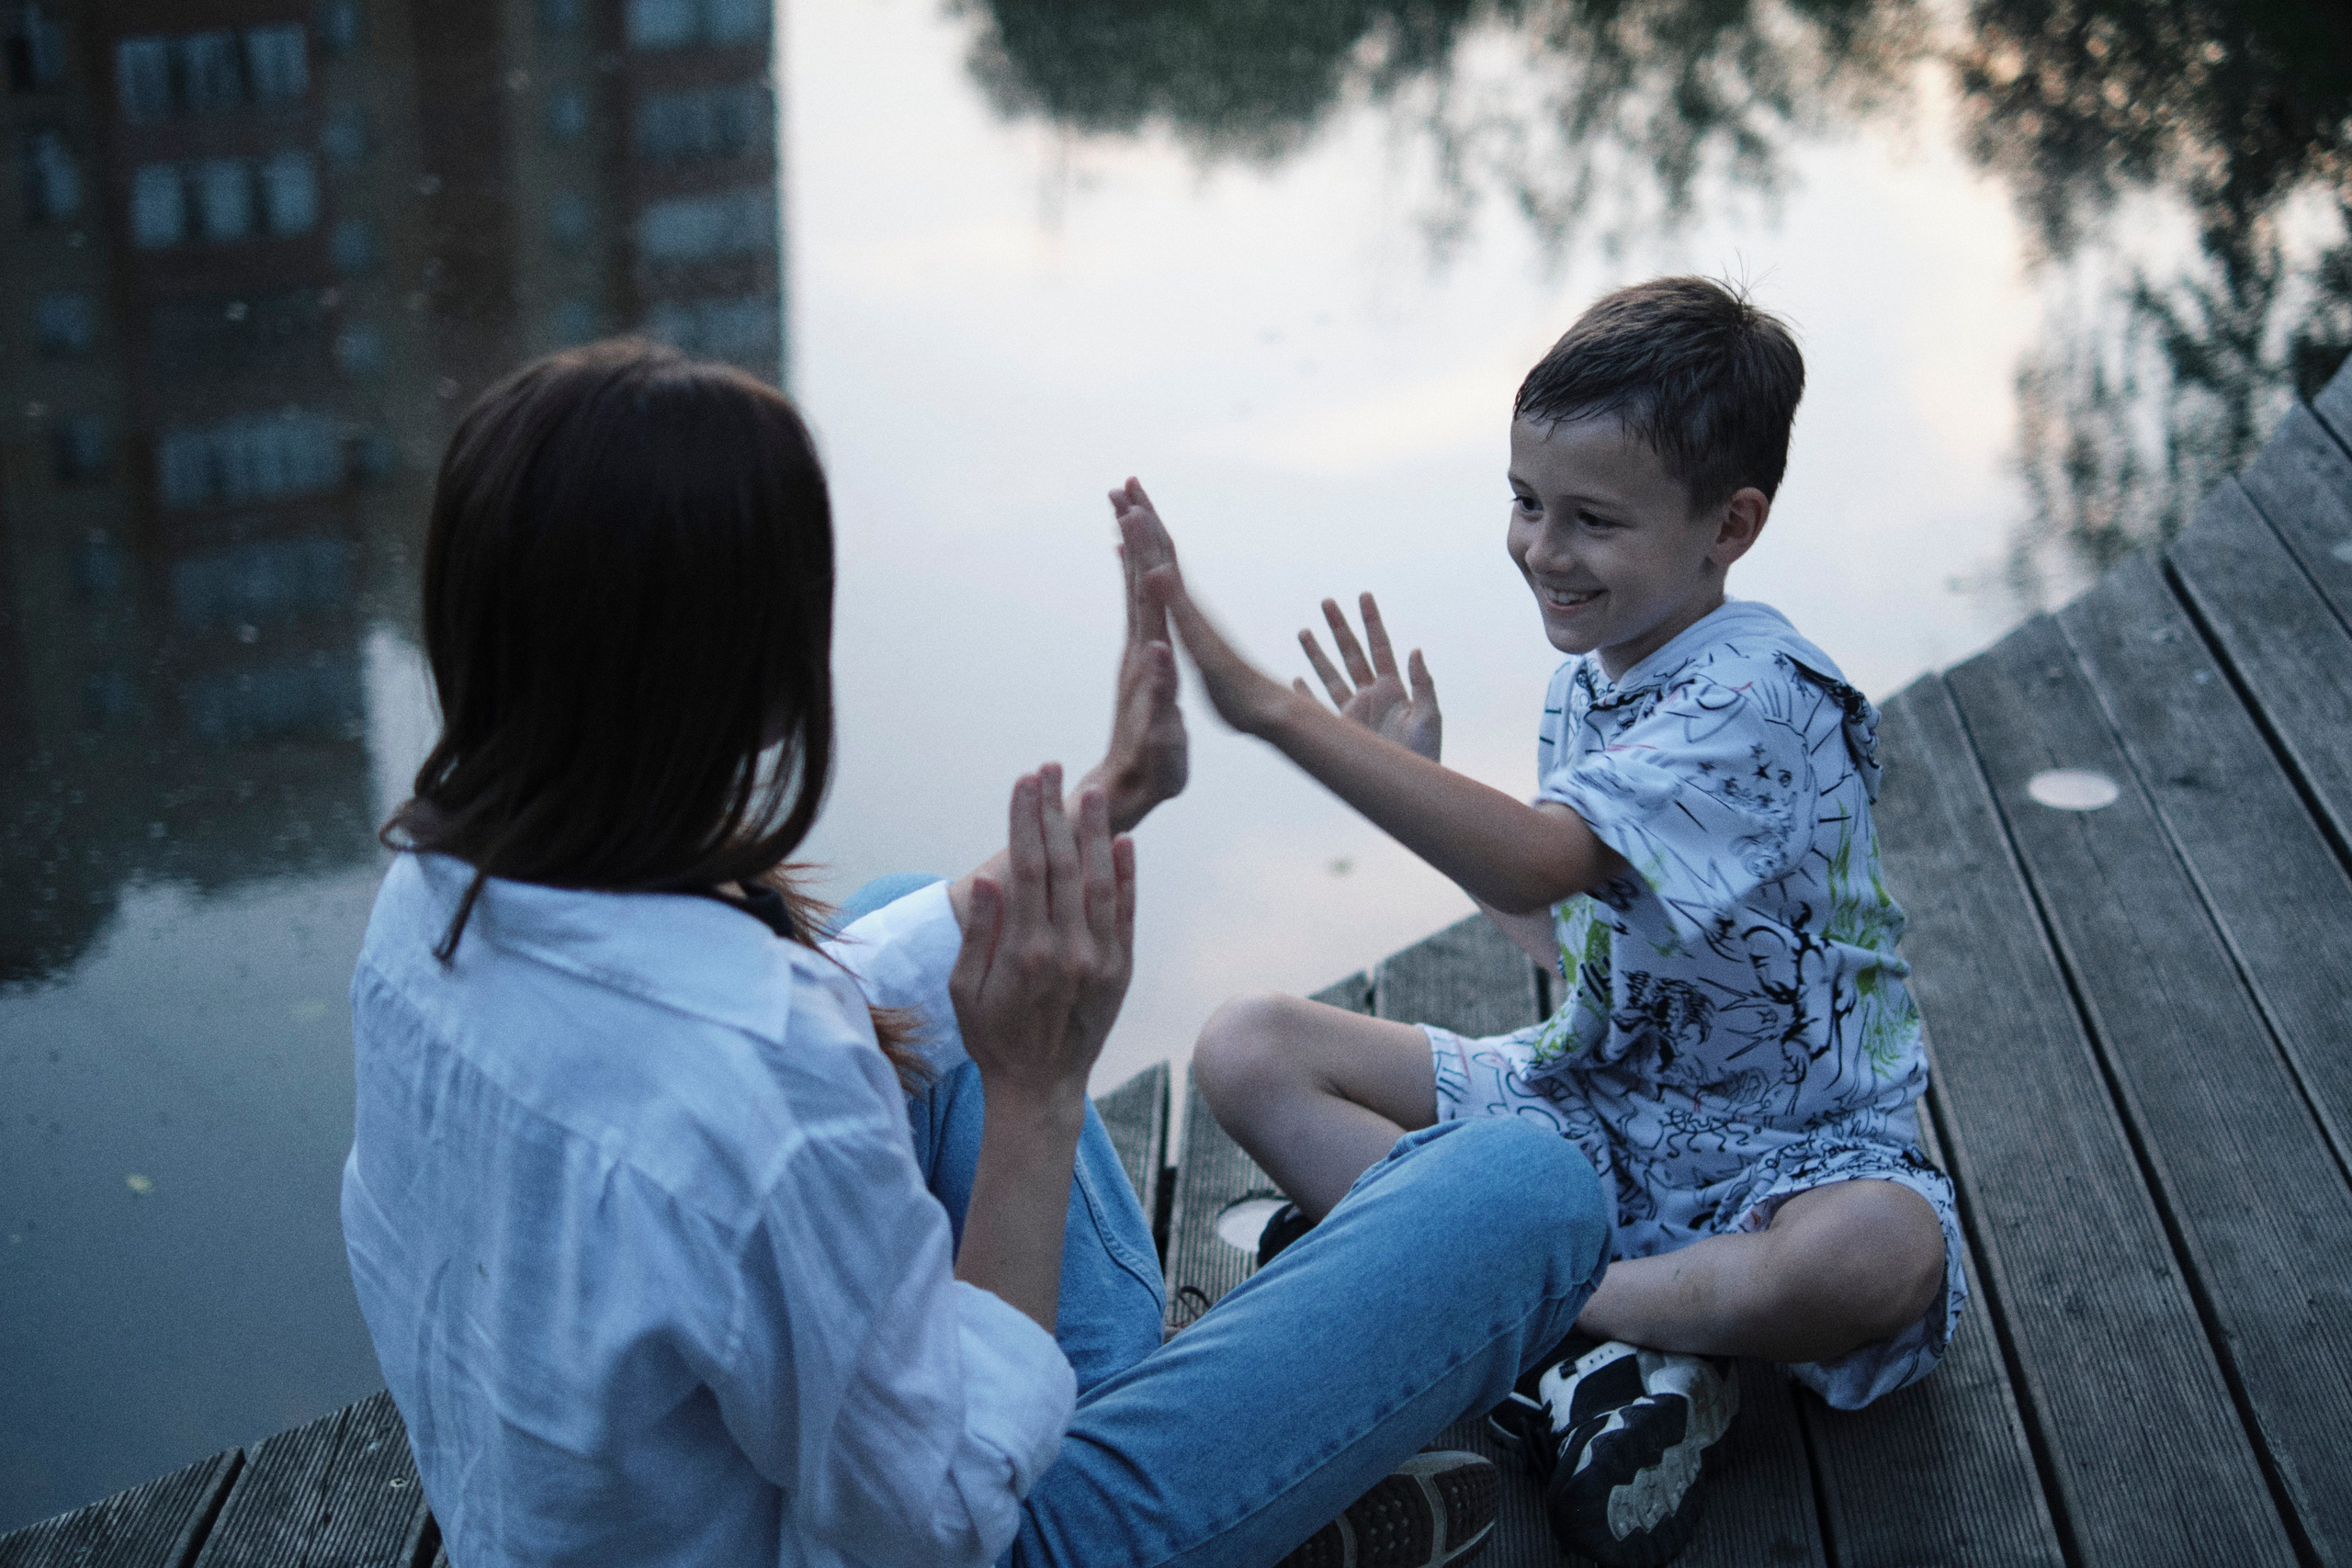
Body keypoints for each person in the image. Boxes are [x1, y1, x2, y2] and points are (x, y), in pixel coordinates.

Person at [339, 339, 1617, 1568]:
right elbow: (939, 1522)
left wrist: (1111, 797)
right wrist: (1038, 1092)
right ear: (745, 674)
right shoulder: (762, 1077)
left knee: (918, 922)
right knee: (1531, 1182)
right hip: (942, 1534)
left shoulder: (432, 899)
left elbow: (757, 1063)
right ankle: (1228, 1502)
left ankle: (1206, 1479)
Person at [1124, 277, 1968, 1568]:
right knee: (1248, 1049)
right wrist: (1421, 773)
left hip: (1787, 1154)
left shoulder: (1755, 692)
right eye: (1526, 503)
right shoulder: (1594, 685)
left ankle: (1541, 1310)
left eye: (1592, 520)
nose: (1542, 549)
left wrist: (1273, 713)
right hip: (1599, 1102)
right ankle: (1609, 1351)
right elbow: (1570, 932)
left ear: (1730, 525)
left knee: (1882, 1253)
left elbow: (1539, 851)